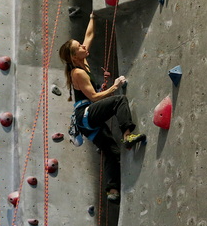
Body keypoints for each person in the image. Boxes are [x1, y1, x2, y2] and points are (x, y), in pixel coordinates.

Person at [60, 12, 145, 203]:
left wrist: (92, 16)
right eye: (79, 47)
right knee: (119, 101)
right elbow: (94, 97)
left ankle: (112, 190)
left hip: (88, 120)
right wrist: (114, 87)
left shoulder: (83, 60)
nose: (83, 46)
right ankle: (128, 136)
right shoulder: (78, 73)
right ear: (74, 57)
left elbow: (89, 36)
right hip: (86, 115)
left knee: (111, 152)